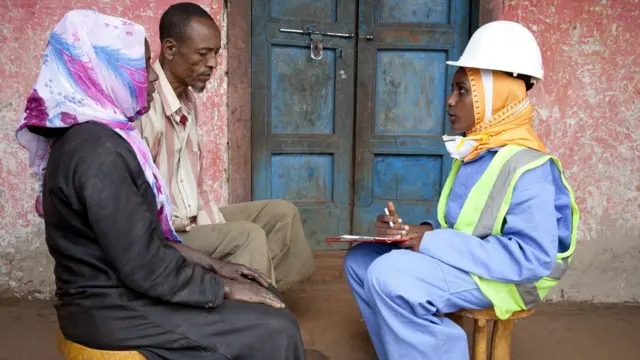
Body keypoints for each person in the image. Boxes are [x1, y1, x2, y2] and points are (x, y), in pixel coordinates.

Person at [16, 10, 308, 359]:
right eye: (140, 69)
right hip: (113, 311)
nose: (151, 80)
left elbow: (140, 238)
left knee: (261, 317)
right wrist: (221, 286)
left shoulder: (98, 139)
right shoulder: (98, 153)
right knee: (275, 329)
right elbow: (146, 266)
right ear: (103, 74)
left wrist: (214, 265)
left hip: (115, 299)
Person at [343, 20, 579, 360]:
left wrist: (431, 242)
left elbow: (531, 259)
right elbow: (465, 228)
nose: (450, 101)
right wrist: (415, 232)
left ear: (494, 98)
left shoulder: (530, 169)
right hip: (474, 262)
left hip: (507, 280)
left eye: (463, 91)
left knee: (389, 274)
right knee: (361, 261)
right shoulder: (476, 152)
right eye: (454, 90)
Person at [136, 2, 314, 291]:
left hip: (192, 221)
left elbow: (195, 183)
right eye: (203, 53)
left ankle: (262, 290)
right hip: (166, 234)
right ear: (170, 49)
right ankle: (250, 318)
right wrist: (214, 238)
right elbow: (140, 209)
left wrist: (214, 227)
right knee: (248, 235)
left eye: (216, 53)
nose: (214, 64)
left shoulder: (187, 100)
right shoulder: (146, 105)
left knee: (282, 214)